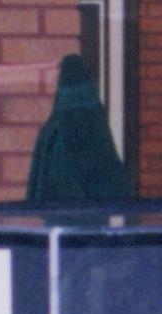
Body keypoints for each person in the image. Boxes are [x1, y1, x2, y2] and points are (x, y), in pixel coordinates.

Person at [23, 51, 133, 203]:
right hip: (92, 219)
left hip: (57, 218)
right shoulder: (94, 126)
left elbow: (37, 187)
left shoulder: (50, 131)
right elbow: (114, 184)